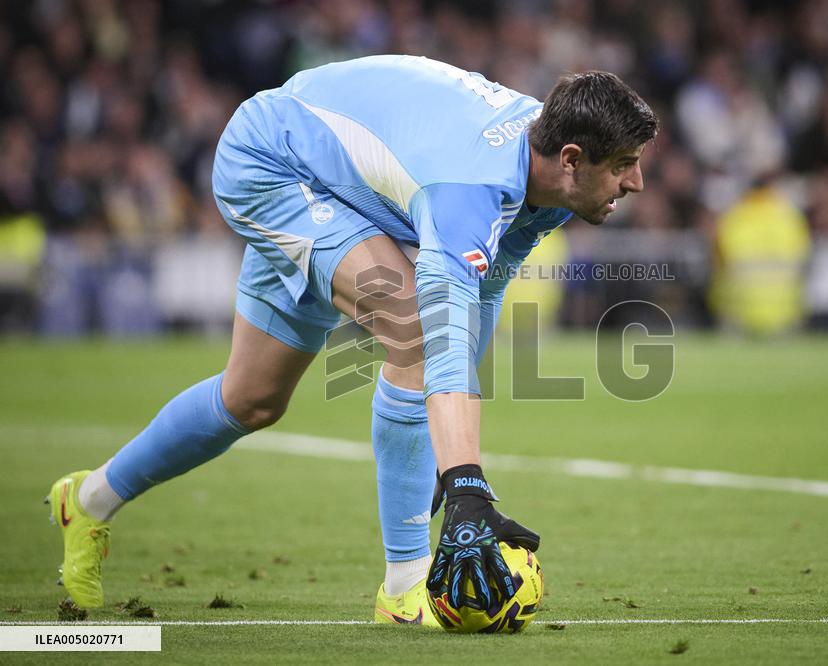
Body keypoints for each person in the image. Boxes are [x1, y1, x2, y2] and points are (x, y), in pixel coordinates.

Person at [48, 54, 657, 625]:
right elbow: (439, 336)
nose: (636, 183)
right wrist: (465, 480)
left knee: (251, 399)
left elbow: (480, 298)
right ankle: (403, 588)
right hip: (272, 161)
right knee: (413, 327)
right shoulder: (468, 191)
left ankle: (89, 499)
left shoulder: (547, 176)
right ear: (573, 159)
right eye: (624, 163)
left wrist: (452, 453)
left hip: (336, 179)